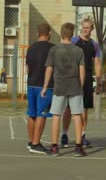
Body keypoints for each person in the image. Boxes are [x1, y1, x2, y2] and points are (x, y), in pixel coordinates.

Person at [41, 22, 87, 157]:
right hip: (75, 87)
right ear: (72, 35)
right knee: (77, 115)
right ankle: (78, 147)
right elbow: (82, 70)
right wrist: (81, 86)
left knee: (56, 116)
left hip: (59, 86)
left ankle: (55, 147)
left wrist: (44, 87)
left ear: (61, 34)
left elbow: (49, 68)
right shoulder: (78, 50)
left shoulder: (54, 50)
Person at [60, 18, 102, 148]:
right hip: (72, 78)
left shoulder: (94, 45)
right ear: (81, 28)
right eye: (83, 27)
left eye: (88, 27)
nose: (85, 29)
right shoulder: (73, 41)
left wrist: (99, 82)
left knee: (84, 109)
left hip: (87, 79)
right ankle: (65, 135)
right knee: (68, 108)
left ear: (91, 29)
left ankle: (82, 135)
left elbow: (97, 63)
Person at [25, 23, 55, 154]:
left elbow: (27, 67)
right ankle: (36, 144)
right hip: (45, 86)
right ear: (49, 34)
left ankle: (31, 141)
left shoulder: (30, 48)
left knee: (31, 114)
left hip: (31, 83)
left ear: (38, 33)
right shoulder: (53, 48)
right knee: (41, 115)